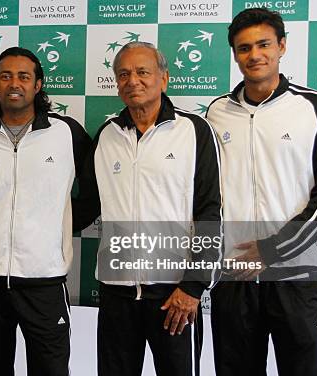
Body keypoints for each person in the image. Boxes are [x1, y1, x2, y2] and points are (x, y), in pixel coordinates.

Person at [206, 8, 317, 376]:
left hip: (295, 276)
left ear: (282, 46)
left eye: (264, 44)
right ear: (235, 54)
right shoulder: (217, 112)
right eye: (244, 48)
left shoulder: (314, 107)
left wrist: (272, 249)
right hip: (235, 276)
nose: (254, 55)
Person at [72, 41, 222, 376]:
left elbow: (210, 213)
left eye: (143, 72)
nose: (132, 80)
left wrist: (193, 287)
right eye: (123, 74)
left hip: (175, 295)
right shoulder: (106, 136)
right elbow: (86, 207)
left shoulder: (193, 131)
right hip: (116, 294)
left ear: (163, 79)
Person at [0, 46, 91, 376]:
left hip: (43, 281)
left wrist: (53, 234)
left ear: (38, 84)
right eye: (5, 76)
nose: (14, 83)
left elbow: (95, 194)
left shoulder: (66, 133)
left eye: (23, 76)